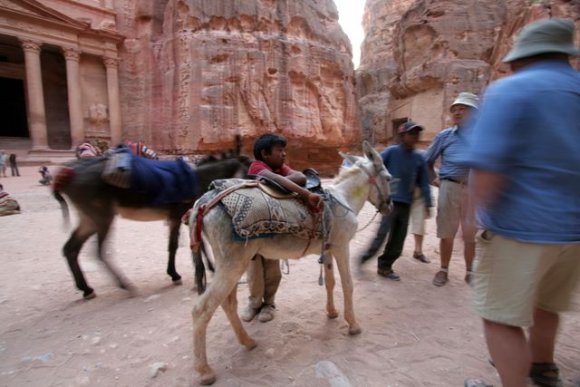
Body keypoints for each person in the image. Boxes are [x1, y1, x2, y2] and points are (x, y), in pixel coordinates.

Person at [461, 19, 580, 387]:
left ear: (522, 57)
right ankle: (543, 369)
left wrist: (470, 221)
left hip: (518, 228)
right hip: (573, 233)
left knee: (500, 318)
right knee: (547, 305)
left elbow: (489, 166)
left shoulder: (509, 91)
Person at [241, 133, 323, 323]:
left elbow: (300, 176)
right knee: (254, 269)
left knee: (272, 268)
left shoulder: (277, 167)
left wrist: (279, 180)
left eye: (284, 150)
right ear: (265, 153)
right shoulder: (257, 166)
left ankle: (269, 303)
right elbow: (284, 180)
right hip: (254, 229)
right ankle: (254, 304)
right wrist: (304, 193)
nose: (284, 154)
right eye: (280, 150)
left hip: (272, 228)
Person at [359, 121, 433, 281]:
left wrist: (428, 203)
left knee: (398, 239)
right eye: (411, 133)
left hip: (406, 203)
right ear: (402, 135)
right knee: (382, 235)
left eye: (416, 133)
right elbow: (375, 166)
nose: (414, 136)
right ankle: (363, 259)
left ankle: (385, 266)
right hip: (390, 202)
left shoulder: (418, 158)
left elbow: (424, 182)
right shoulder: (391, 152)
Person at [424, 92, 479, 287]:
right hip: (450, 186)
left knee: (470, 234)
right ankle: (444, 269)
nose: (457, 112)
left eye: (462, 109)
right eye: (454, 109)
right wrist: (436, 181)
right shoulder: (445, 136)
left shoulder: (483, 137)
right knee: (447, 231)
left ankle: (470, 271)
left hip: (473, 191)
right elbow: (427, 161)